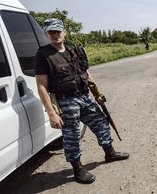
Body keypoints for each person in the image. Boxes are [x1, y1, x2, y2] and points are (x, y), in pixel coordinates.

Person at [35, 18, 129, 184]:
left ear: (64, 32)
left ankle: (110, 153)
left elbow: (85, 74)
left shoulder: (74, 50)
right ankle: (77, 169)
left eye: (57, 31)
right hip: (66, 101)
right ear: (46, 34)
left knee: (101, 122)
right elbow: (42, 86)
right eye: (51, 32)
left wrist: (97, 93)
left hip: (84, 96)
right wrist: (51, 113)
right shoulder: (43, 55)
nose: (55, 35)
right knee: (71, 136)